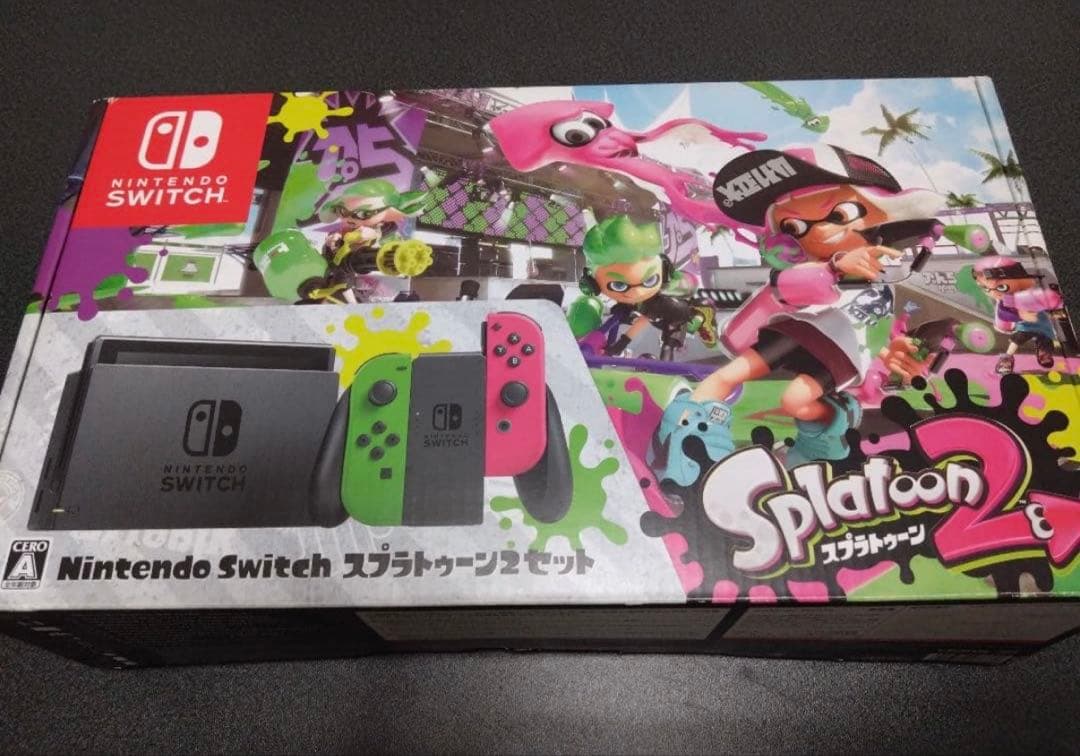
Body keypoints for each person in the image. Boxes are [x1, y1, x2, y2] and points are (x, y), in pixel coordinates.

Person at [655, 145, 941, 484]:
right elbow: (800, 286)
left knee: (795, 400)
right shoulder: (806, 273)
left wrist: (893, 355)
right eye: (793, 227)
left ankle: (825, 432)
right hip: (794, 328)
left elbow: (873, 332)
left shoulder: (883, 285)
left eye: (838, 215)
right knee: (724, 377)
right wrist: (836, 266)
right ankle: (686, 436)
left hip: (837, 347)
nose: (817, 232)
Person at [972, 255, 1062, 373]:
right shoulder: (1009, 299)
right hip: (1028, 326)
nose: (993, 293)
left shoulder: (1022, 296)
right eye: (986, 288)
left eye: (1001, 287)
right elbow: (1004, 314)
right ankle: (1007, 357)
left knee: (1041, 341)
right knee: (1019, 339)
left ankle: (1012, 356)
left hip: (1040, 326)